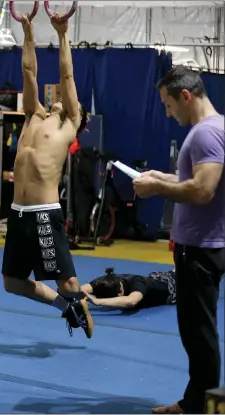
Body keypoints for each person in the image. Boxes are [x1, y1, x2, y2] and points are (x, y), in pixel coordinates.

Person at [132, 67, 224, 415]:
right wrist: (164, 176)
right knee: (199, 334)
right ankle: (195, 402)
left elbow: (203, 190)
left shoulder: (204, 134)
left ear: (186, 97)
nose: (169, 114)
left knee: (200, 336)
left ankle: (205, 408)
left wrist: (156, 188)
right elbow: (198, 178)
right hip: (207, 245)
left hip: (200, 249)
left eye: (169, 105)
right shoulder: (218, 127)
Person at [0, 14, 93, 338]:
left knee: (68, 283)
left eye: (67, 100)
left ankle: (78, 302)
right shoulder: (33, 114)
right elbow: (29, 71)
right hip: (17, 213)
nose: (58, 99)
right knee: (12, 282)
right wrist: (28, 31)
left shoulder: (69, 122)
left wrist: (62, 33)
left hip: (43, 214)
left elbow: (66, 74)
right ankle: (65, 307)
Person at [81, 267, 176, 310]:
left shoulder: (138, 283)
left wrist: (98, 301)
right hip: (160, 277)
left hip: (174, 286)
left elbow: (131, 301)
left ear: (119, 293)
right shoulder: (105, 281)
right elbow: (79, 289)